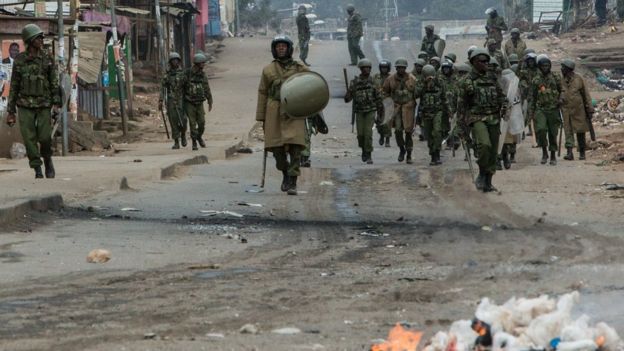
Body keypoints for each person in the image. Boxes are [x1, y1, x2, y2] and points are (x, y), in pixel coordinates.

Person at [256, 35, 309, 195]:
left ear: (289, 49)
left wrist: (310, 109)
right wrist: (261, 116)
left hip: (293, 111)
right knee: (276, 149)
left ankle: (293, 181)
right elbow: (262, 92)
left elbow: (311, 85)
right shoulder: (268, 70)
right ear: (274, 49)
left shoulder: (300, 67)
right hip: (274, 111)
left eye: (283, 46)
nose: (281, 48)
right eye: (278, 46)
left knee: (295, 148)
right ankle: (285, 173)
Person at [6, 24, 60, 179]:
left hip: (43, 103)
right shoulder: (20, 60)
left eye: (41, 37)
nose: (41, 40)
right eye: (38, 37)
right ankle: (37, 168)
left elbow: (53, 81)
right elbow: (14, 85)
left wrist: (56, 103)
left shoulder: (47, 58)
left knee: (44, 137)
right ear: (30, 40)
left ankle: (48, 159)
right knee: (29, 139)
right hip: (24, 104)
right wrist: (11, 111)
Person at [457, 49, 507, 192]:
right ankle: (481, 173)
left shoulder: (492, 78)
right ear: (474, 62)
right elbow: (461, 106)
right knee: (484, 146)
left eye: (487, 61)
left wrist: (504, 105)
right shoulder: (467, 81)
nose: (486, 64)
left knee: (493, 152)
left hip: (494, 118)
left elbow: (501, 96)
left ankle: (488, 181)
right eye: (482, 61)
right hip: (477, 117)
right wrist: (461, 127)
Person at [344, 59, 384, 164]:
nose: (367, 69)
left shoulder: (374, 82)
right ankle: (363, 150)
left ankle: (369, 154)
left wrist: (380, 114)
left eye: (368, 68)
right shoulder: (355, 82)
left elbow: (379, 98)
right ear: (361, 69)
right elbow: (347, 100)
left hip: (370, 111)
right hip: (359, 111)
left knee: (368, 133)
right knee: (360, 135)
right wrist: (348, 92)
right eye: (365, 68)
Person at [528, 55, 562, 166]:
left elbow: (562, 90)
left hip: (553, 109)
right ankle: (544, 152)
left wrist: (561, 99)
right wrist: (531, 112)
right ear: (539, 67)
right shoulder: (536, 80)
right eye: (543, 66)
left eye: (547, 65)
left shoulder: (556, 77)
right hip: (540, 109)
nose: (545, 68)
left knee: (553, 133)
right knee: (541, 130)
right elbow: (532, 96)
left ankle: (552, 155)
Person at [383, 58, 417, 164]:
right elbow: (384, 92)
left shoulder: (412, 79)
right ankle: (402, 149)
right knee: (398, 130)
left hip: (408, 108)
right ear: (396, 68)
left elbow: (417, 92)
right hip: (397, 108)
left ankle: (409, 154)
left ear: (405, 68)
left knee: (408, 131)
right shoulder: (390, 79)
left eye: (402, 67)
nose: (401, 69)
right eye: (399, 67)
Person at [414, 65, 449, 165]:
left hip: (437, 111)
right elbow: (416, 94)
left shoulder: (440, 82)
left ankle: (437, 153)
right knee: (429, 135)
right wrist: (425, 84)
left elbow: (444, 97)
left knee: (437, 132)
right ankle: (433, 154)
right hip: (426, 112)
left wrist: (448, 110)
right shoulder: (420, 83)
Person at [560, 59, 594, 161]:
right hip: (566, 110)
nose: (561, 69)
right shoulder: (561, 80)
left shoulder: (579, 79)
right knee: (568, 131)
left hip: (579, 110)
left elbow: (586, 95)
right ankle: (569, 153)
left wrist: (590, 108)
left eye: (563, 68)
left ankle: (582, 153)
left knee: (580, 132)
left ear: (568, 69)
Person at [182, 52, 213, 150]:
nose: (203, 65)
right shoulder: (187, 73)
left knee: (202, 123)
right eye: (202, 63)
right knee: (192, 123)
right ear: (197, 63)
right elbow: (180, 87)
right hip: (189, 102)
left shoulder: (202, 75)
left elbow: (206, 88)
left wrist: (210, 100)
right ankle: (194, 142)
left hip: (199, 102)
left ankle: (199, 136)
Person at [159, 52, 188, 149]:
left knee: (183, 120)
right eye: (173, 61)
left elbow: (187, 87)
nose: (175, 62)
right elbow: (163, 89)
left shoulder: (183, 74)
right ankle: (176, 141)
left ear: (179, 61)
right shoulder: (167, 75)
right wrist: (160, 100)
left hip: (181, 100)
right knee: (173, 121)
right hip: (171, 101)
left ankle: (183, 134)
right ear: (170, 62)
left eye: (176, 60)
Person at [373, 59, 392, 147]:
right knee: (379, 121)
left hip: (388, 102)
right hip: (378, 102)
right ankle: (381, 135)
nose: (384, 69)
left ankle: (387, 139)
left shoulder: (392, 77)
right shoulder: (376, 77)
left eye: (385, 68)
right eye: (382, 67)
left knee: (387, 122)